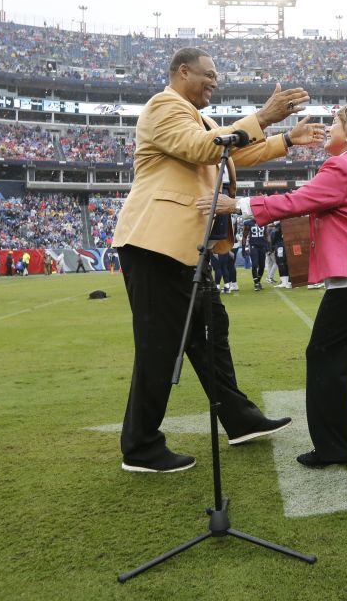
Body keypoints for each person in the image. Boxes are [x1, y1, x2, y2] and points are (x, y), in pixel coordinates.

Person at [110, 47, 325, 473]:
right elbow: (202, 149)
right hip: (155, 244)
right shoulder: (163, 107)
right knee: (159, 345)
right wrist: (262, 118)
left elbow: (232, 153)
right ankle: (140, 445)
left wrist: (285, 139)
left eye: (217, 78)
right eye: (208, 75)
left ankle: (239, 418)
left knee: (210, 331)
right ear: (182, 71)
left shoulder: (199, 117)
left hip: (186, 246)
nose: (214, 82)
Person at [203, 106, 347, 469]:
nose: (328, 129)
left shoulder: (342, 165)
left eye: (335, 124)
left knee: (325, 361)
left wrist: (239, 205)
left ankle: (333, 449)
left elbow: (299, 201)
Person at [242, 216, 268, 291]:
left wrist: (269, 246)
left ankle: (258, 281)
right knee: (254, 264)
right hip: (253, 246)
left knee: (262, 266)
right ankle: (256, 283)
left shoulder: (264, 221)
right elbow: (244, 236)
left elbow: (266, 235)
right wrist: (243, 249)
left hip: (262, 246)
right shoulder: (248, 223)